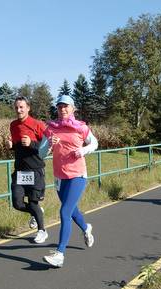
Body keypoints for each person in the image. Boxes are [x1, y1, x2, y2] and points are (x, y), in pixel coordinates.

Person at [40, 95, 98, 268]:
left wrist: (83, 150)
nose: (62, 109)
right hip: (60, 177)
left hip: (77, 175)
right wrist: (49, 144)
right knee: (72, 211)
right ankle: (86, 228)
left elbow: (94, 143)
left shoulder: (81, 127)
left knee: (64, 212)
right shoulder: (51, 128)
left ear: (73, 108)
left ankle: (60, 254)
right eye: (59, 107)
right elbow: (41, 154)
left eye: (66, 106)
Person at [5, 96, 48, 244]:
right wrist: (12, 146)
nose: (19, 110)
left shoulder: (37, 124)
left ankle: (42, 230)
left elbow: (47, 147)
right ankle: (37, 213)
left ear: (28, 108)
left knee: (33, 202)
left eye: (21, 107)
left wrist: (32, 143)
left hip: (35, 169)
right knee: (17, 203)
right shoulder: (13, 125)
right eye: (16, 107)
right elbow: (19, 147)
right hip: (20, 171)